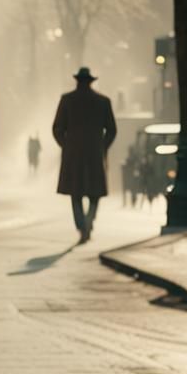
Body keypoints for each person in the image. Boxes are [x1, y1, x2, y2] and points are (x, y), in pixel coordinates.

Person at [52, 67, 116, 243]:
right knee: (95, 193)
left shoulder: (67, 100)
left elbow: (57, 128)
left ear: (77, 81)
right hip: (95, 153)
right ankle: (88, 221)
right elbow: (111, 130)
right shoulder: (103, 101)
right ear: (90, 82)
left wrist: (66, 145)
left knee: (76, 193)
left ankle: (82, 226)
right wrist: (103, 146)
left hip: (73, 154)